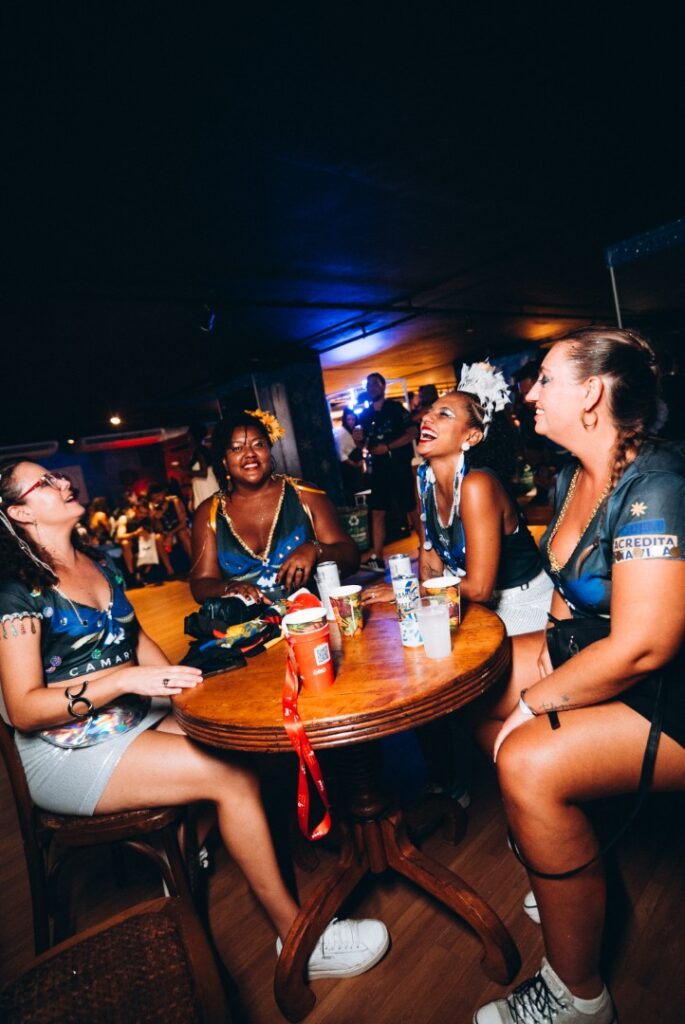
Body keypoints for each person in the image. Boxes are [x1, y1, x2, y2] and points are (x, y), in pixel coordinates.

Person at [0, 460, 389, 981]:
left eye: (58, 475)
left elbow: (135, 638)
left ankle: (188, 855)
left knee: (240, 736)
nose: (64, 482)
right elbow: (24, 708)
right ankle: (301, 941)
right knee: (231, 777)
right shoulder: (16, 593)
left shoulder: (95, 561)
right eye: (45, 482)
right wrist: (123, 680)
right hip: (65, 751)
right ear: (20, 512)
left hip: (129, 717)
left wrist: (186, 690)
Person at [472, 328, 685, 1024]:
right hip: (606, 653)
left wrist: (536, 702)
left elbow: (644, 648)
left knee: (525, 762)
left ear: (591, 393)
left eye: (544, 380)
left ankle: (578, 996)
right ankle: (561, 855)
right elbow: (565, 582)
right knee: (478, 687)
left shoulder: (657, 485)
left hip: (669, 693)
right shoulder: (569, 476)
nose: (529, 393)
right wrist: (548, 646)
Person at [364, 362, 552, 635]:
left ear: (472, 436)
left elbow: (480, 588)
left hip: (521, 603)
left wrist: (407, 590)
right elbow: (430, 561)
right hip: (463, 600)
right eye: (430, 411)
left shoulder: (477, 485)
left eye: (444, 414)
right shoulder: (423, 479)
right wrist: (420, 599)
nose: (427, 418)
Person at [190, 408, 360, 606]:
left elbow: (352, 558)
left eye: (258, 444)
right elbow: (201, 584)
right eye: (237, 448)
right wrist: (229, 587)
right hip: (248, 624)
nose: (249, 454)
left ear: (268, 450)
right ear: (224, 461)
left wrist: (315, 550)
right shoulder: (208, 514)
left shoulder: (305, 495)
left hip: (314, 616)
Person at [359, 372, 421, 573]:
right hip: (379, 469)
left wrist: (388, 447)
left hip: (399, 465)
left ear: (383, 386)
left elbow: (413, 432)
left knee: (410, 507)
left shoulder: (395, 408)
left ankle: (426, 547)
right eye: (368, 385)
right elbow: (363, 444)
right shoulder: (365, 415)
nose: (371, 387)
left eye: (374, 384)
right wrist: (358, 439)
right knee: (377, 511)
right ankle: (377, 557)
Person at [147, 482, 193, 564]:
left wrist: (170, 534)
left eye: (158, 495)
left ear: (164, 493)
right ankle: (169, 569)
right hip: (166, 533)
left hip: (180, 529)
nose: (157, 499)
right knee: (158, 538)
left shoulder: (174, 501)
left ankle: (194, 561)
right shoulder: (154, 508)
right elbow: (159, 530)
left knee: (182, 533)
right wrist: (154, 519)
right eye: (154, 498)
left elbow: (183, 523)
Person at [334, 407, 365, 504]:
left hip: (357, 465)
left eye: (353, 419)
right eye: (348, 419)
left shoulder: (355, 431)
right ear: (345, 420)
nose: (351, 422)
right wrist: (353, 464)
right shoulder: (341, 432)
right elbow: (340, 453)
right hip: (348, 466)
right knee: (352, 489)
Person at [187, 422, 219, 512]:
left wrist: (181, 470)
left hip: (206, 486)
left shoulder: (200, 450)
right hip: (201, 486)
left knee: (211, 512)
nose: (188, 438)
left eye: (189, 435)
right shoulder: (198, 451)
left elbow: (203, 473)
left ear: (192, 436)